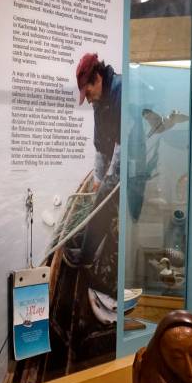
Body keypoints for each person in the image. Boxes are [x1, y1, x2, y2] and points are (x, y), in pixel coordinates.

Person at [67, 52, 122, 269]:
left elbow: (122, 145)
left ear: (97, 78)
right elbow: (100, 144)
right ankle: (85, 238)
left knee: (104, 198)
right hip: (112, 156)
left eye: (88, 93)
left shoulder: (120, 90)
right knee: (98, 190)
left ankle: (86, 256)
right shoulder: (99, 100)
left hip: (129, 162)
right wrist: (98, 178)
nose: (88, 99)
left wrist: (107, 180)